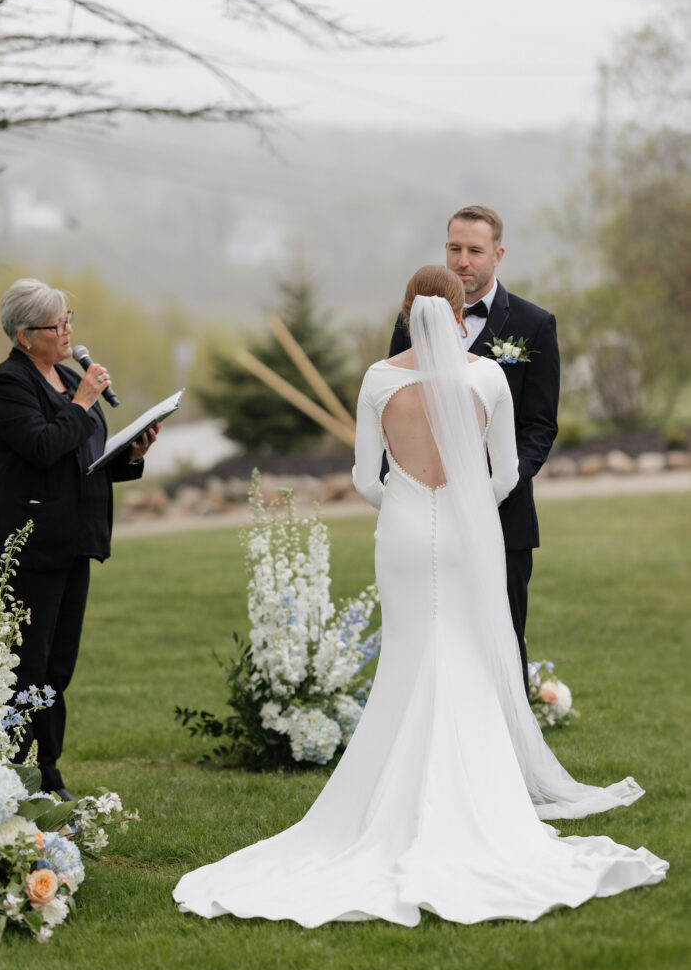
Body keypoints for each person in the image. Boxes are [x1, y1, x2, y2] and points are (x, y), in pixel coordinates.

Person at [173, 269, 665, 926]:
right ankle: (476, 806)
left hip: (403, 534)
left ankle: (389, 806)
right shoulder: (487, 378)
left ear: (406, 312)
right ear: (459, 314)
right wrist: (466, 504)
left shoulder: (379, 380)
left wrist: (407, 500)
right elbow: (506, 473)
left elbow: (363, 478)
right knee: (461, 653)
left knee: (407, 658)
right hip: (465, 533)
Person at [0, 278, 159, 800]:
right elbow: (43, 447)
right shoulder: (9, 385)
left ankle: (47, 771)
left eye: (68, 321)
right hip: (29, 544)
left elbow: (84, 457)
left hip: (74, 539)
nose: (67, 332)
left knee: (58, 668)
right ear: (24, 336)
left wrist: (133, 453)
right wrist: (81, 403)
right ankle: (17, 777)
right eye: (55, 325)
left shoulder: (65, 375)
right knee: (28, 666)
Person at [389, 207, 559, 694]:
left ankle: (508, 737)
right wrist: (399, 489)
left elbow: (539, 426)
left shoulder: (533, 324)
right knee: (429, 638)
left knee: (503, 638)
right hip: (424, 515)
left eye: (475, 251)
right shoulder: (410, 321)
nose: (462, 261)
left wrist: (495, 486)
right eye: (454, 248)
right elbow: (393, 407)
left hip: (503, 515)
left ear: (498, 255)